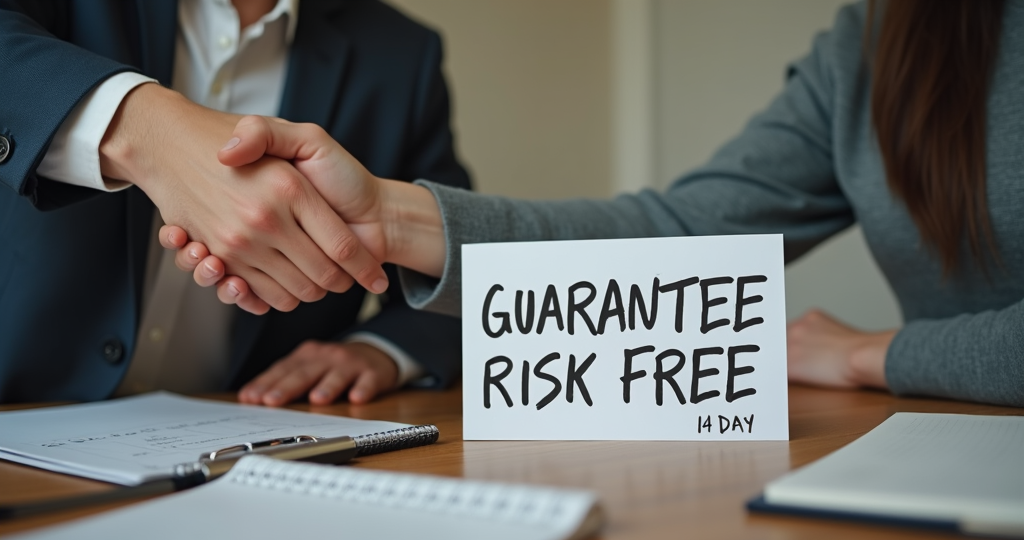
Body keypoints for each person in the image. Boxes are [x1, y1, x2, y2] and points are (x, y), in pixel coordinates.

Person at [165, 0, 1022, 408]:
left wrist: (880, 354)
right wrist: (393, 220)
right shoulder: (880, 40)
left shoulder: (399, 51)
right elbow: (678, 231)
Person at [0, 0, 470, 404]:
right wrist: (147, 130)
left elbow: (460, 261)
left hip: (249, 447)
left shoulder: (404, 54)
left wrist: (381, 348)